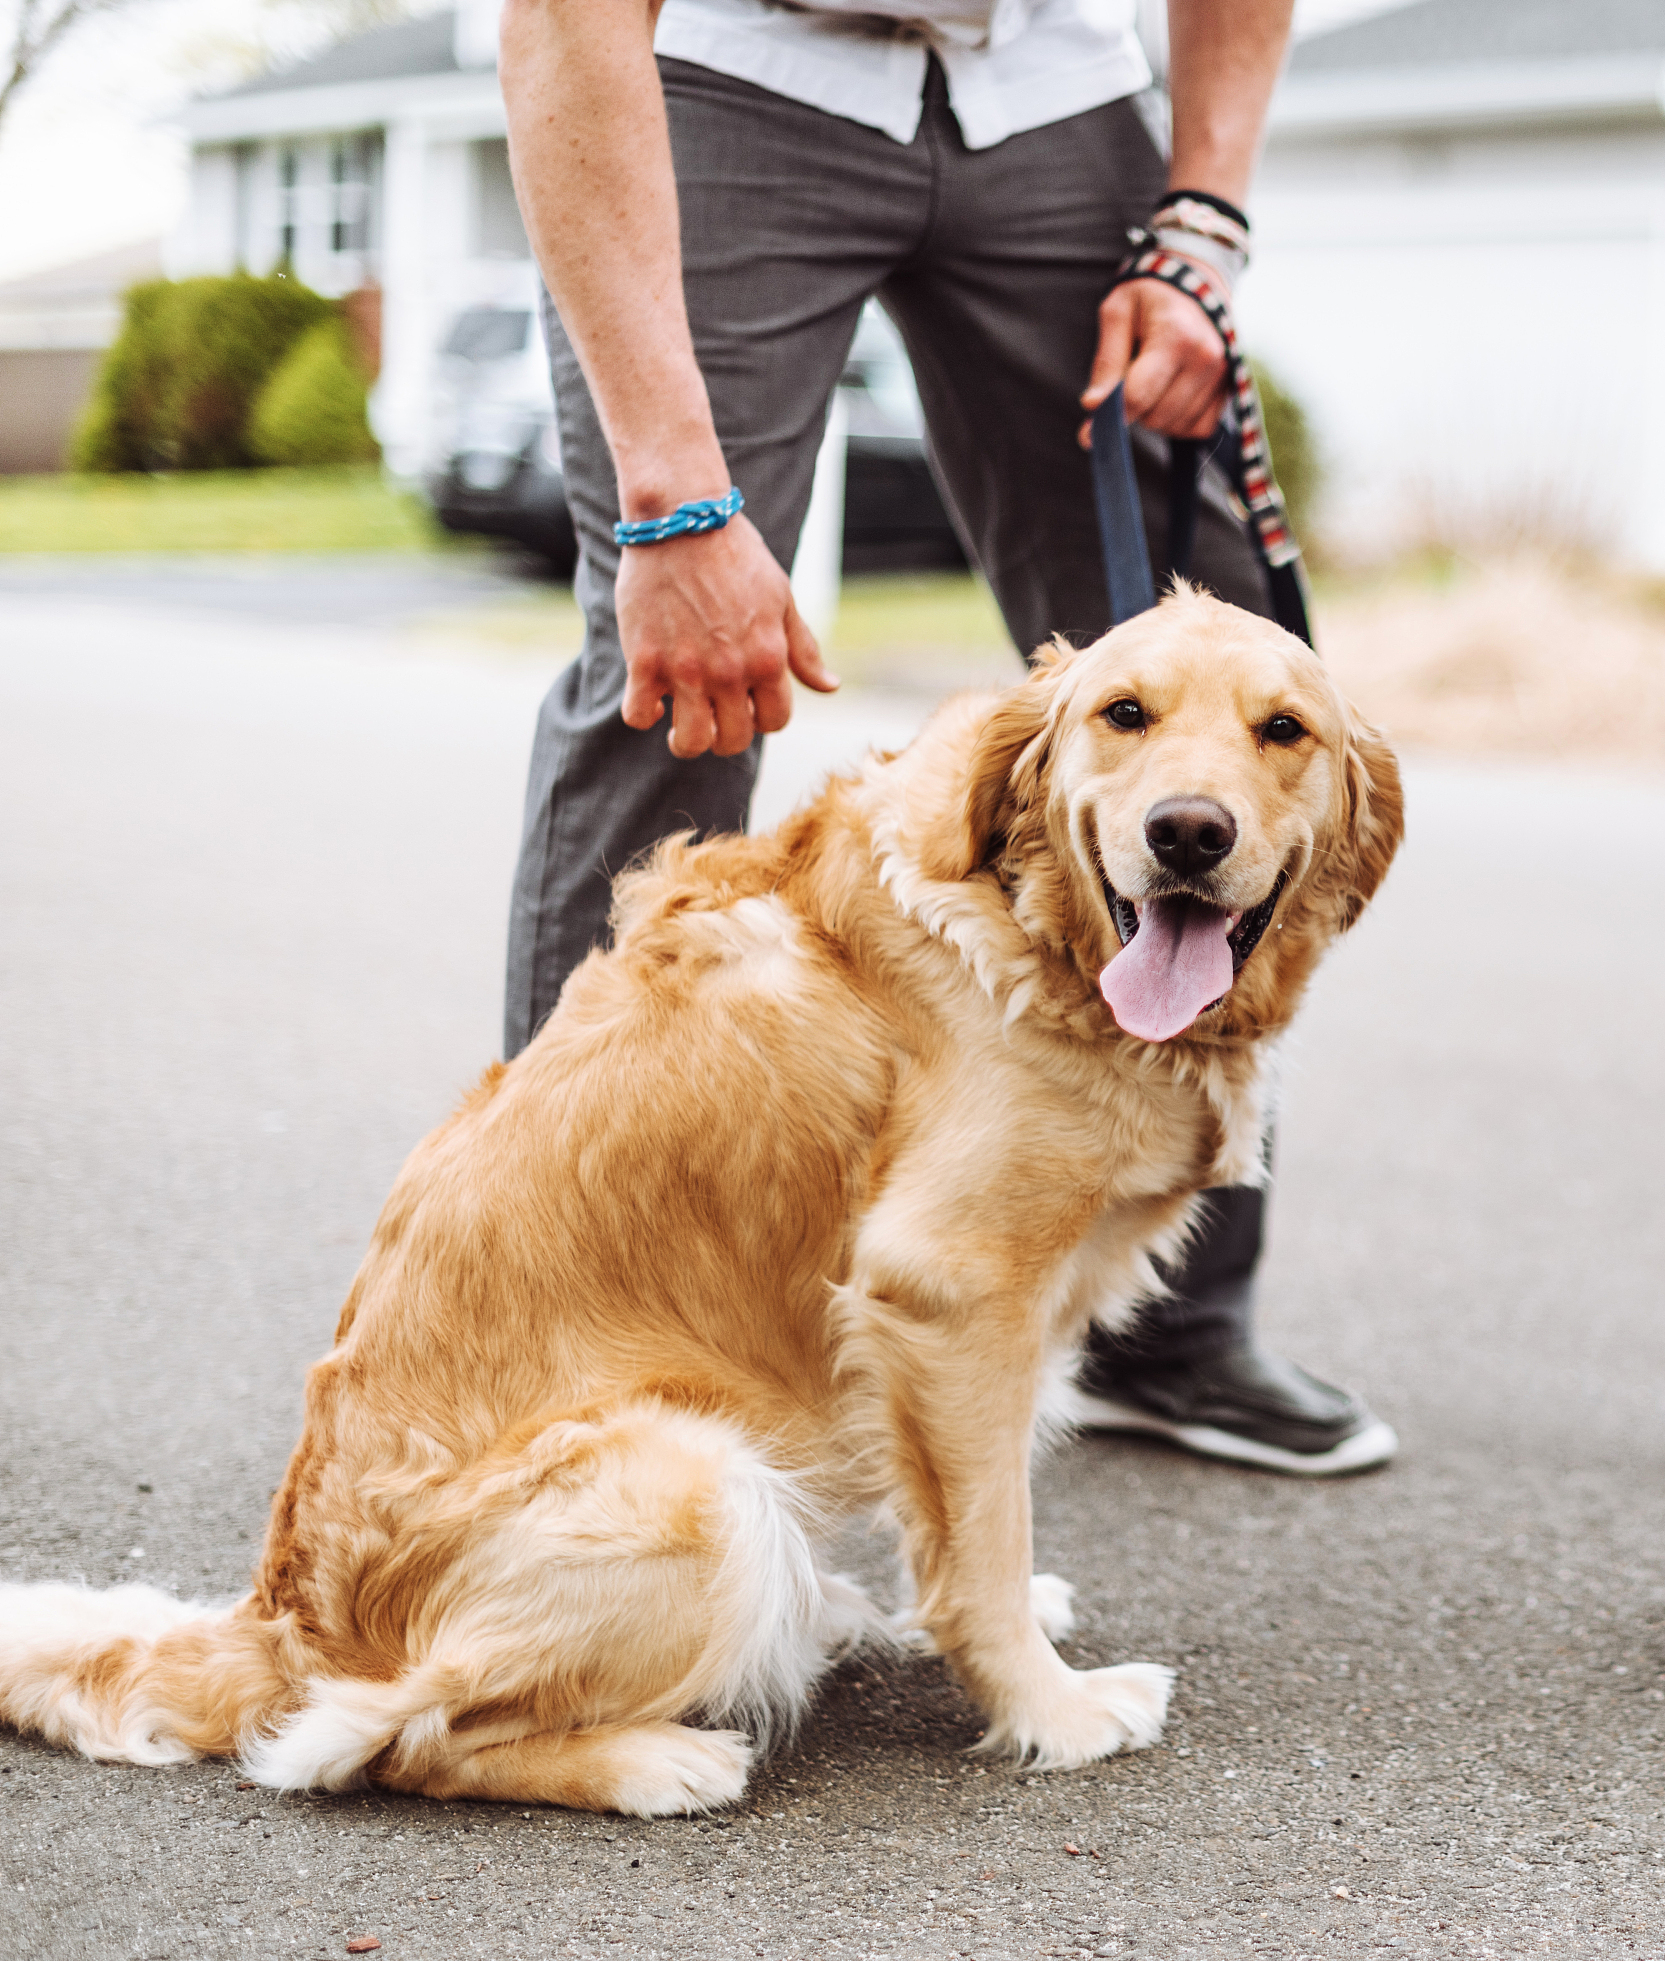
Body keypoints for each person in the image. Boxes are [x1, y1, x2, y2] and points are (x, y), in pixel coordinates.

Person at [497, 0, 1396, 1478]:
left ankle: (1157, 1321)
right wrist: (673, 503)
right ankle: (563, 1304)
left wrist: (1201, 221)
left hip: (1043, 85)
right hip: (726, 72)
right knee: (678, 691)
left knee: (1207, 679)